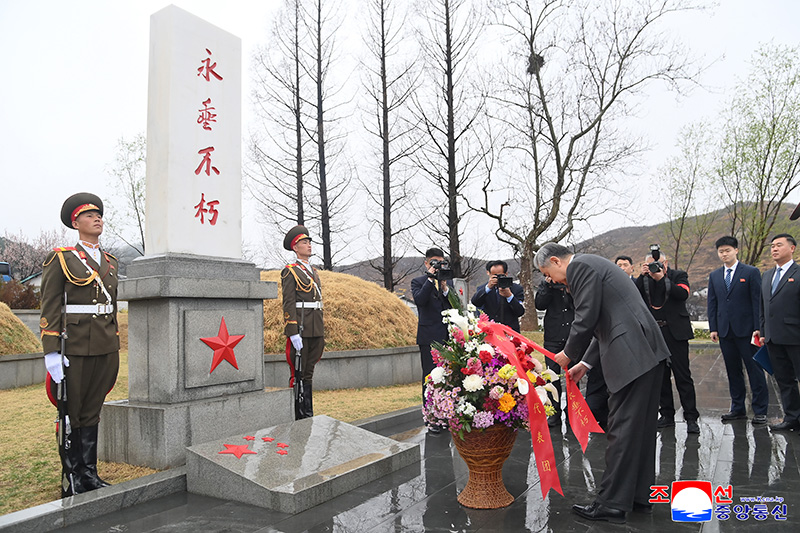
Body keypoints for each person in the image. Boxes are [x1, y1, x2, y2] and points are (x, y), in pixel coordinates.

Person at [535, 243, 669, 524]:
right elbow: (603, 323)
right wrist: (584, 364)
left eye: (547, 273)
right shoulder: (593, 266)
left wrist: (568, 354)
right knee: (639, 430)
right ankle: (637, 497)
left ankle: (611, 503)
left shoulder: (580, 266)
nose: (551, 280)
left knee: (622, 428)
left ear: (556, 261)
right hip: (646, 353)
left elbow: (586, 317)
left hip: (633, 356)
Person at [40, 192, 120, 497]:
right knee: (71, 411)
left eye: (98, 214)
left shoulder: (110, 261)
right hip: (73, 345)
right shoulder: (62, 258)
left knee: (92, 410)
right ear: (76, 222)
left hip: (104, 345)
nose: (97, 219)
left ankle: (89, 473)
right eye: (89, 215)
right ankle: (70, 475)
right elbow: (49, 305)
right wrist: (51, 351)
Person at [635, 250, 700, 434]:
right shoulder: (644, 279)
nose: (655, 267)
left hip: (676, 332)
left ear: (667, 263)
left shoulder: (678, 275)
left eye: (659, 263)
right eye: (651, 264)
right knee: (660, 377)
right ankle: (666, 415)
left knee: (683, 376)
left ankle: (691, 417)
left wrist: (662, 278)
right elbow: (634, 294)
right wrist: (643, 275)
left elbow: (682, 294)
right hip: (654, 333)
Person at [707, 236, 768, 425]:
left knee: (754, 370)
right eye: (721, 251)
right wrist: (714, 327)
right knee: (733, 371)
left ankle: (760, 410)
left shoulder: (750, 272)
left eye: (727, 250)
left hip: (747, 330)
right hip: (725, 331)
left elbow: (757, 301)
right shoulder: (715, 275)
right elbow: (713, 303)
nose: (724, 254)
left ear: (736, 250)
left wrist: (758, 327)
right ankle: (737, 408)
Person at [281, 225, 324, 420]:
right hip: (301, 327)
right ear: (295, 248)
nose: (308, 245)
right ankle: (299, 414)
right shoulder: (290, 271)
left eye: (309, 242)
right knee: (298, 373)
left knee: (309, 371)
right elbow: (289, 302)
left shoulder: (313, 272)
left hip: (315, 326)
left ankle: (309, 413)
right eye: (304, 243)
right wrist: (292, 331)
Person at [760, 234, 800, 432]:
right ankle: (792, 418)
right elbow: (763, 306)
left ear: (792, 248)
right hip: (773, 337)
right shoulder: (767, 276)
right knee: (784, 380)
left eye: (779, 245)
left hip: (795, 336)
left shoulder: (798, 273)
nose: (774, 249)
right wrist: (762, 330)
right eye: (772, 246)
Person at [412, 247, 452, 433]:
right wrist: (430, 278)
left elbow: (454, 305)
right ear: (427, 263)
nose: (438, 266)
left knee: (447, 378)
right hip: (428, 338)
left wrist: (445, 289)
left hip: (446, 337)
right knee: (429, 378)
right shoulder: (418, 281)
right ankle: (431, 417)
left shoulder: (446, 282)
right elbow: (420, 301)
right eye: (435, 262)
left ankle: (446, 415)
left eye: (441, 262)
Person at [534, 275, 573, 427]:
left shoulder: (572, 283)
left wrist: (569, 287)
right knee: (552, 376)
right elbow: (540, 304)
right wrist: (546, 286)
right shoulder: (547, 286)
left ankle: (572, 412)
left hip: (572, 337)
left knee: (572, 377)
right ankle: (553, 412)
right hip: (553, 337)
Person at [471, 260, 525, 332]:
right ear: (488, 273)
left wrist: (510, 296)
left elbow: (520, 311)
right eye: (494, 276)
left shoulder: (516, 289)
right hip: (489, 330)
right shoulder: (482, 289)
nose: (497, 279)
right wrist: (488, 288)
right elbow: (475, 302)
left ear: (506, 274)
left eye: (500, 276)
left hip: (510, 331)